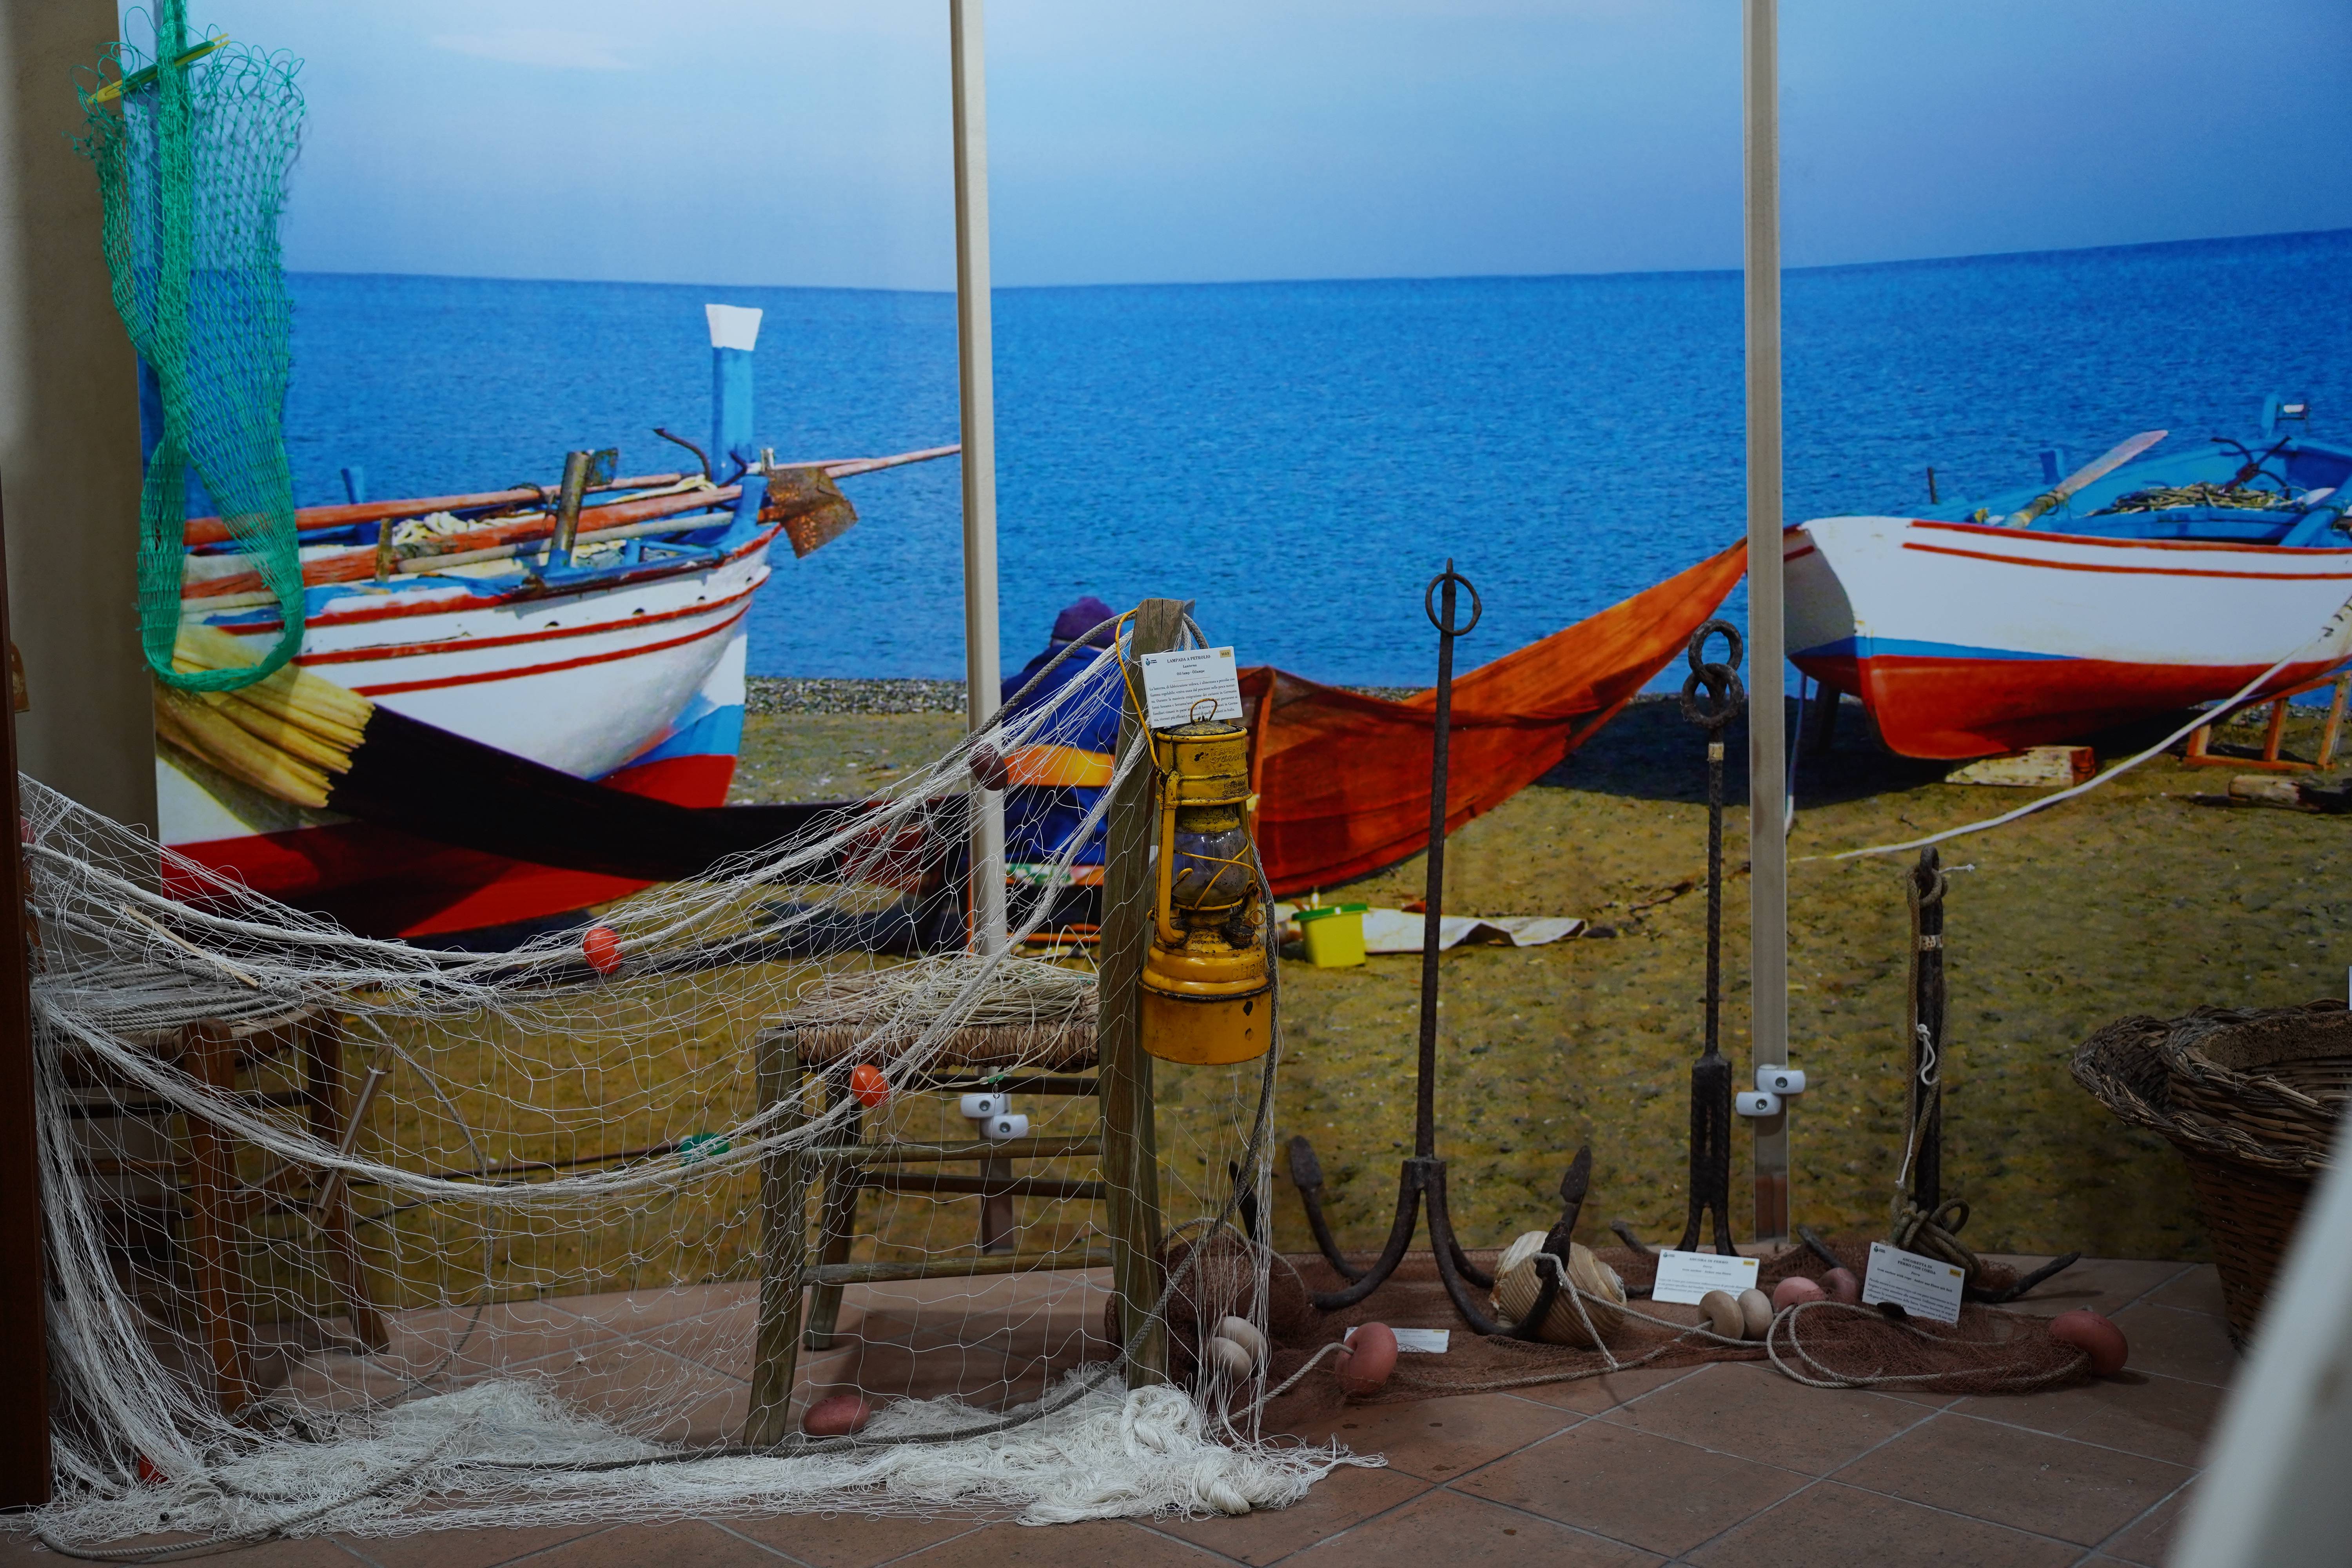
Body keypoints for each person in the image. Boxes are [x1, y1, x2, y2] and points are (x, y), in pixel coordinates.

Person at [997, 595, 1122, 873]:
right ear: (1111, 650)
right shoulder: (1123, 691)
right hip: (1096, 852)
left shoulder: (1010, 691)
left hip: (1009, 851)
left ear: (1054, 644)